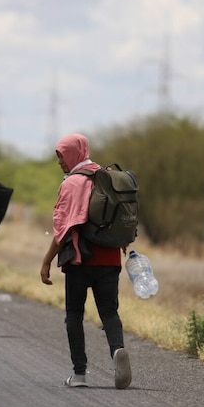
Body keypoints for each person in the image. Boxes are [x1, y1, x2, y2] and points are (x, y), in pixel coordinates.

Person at [39, 133, 132, 390]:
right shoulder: (107, 178)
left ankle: (79, 374)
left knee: (74, 314)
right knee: (109, 312)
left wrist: (47, 261)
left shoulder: (72, 184)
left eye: (61, 156)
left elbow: (63, 231)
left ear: (73, 153)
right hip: (110, 258)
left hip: (80, 260)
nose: (59, 162)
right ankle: (117, 351)